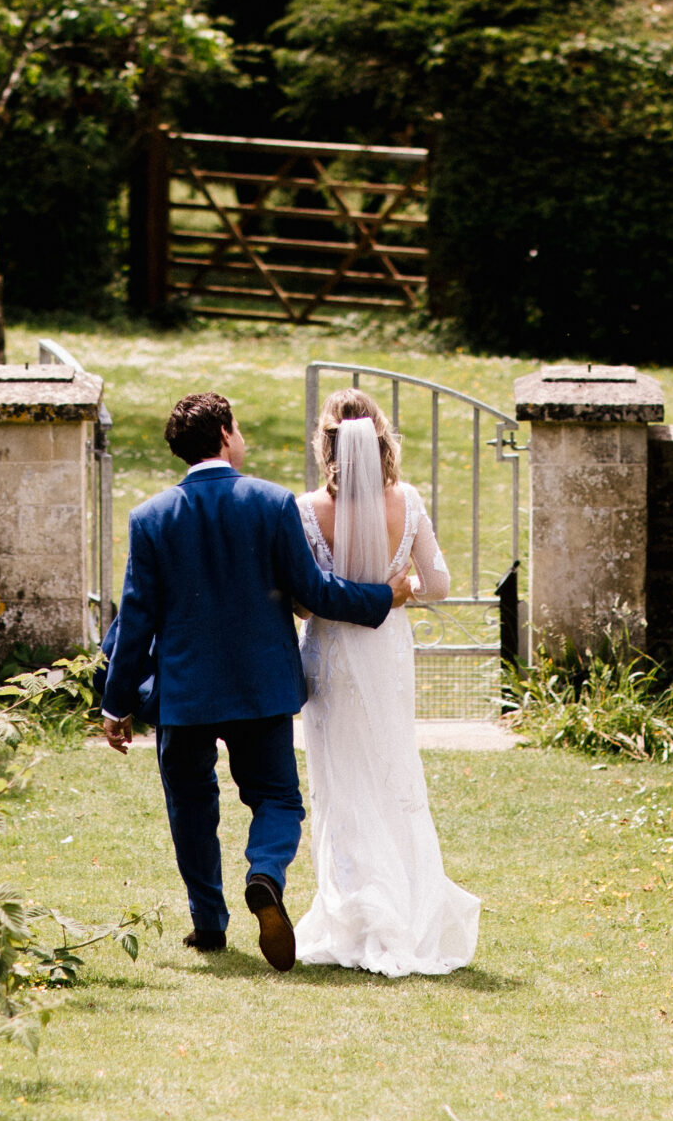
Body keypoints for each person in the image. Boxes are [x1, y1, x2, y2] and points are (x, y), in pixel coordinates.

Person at [99, 393, 414, 971]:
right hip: (261, 688)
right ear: (223, 434)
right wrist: (382, 596)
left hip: (183, 695)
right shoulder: (272, 503)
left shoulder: (149, 517)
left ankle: (209, 925)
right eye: (237, 426)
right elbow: (316, 592)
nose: (241, 436)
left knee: (190, 807)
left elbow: (135, 618)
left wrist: (116, 705)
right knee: (276, 798)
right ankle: (265, 874)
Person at [291, 392, 481, 976]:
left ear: (328, 445)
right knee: (391, 769)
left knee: (339, 779)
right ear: (381, 440)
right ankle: (399, 904)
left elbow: (302, 602)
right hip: (388, 651)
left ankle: (350, 908)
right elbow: (442, 583)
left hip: (330, 654)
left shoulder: (305, 509)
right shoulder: (411, 500)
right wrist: (406, 585)